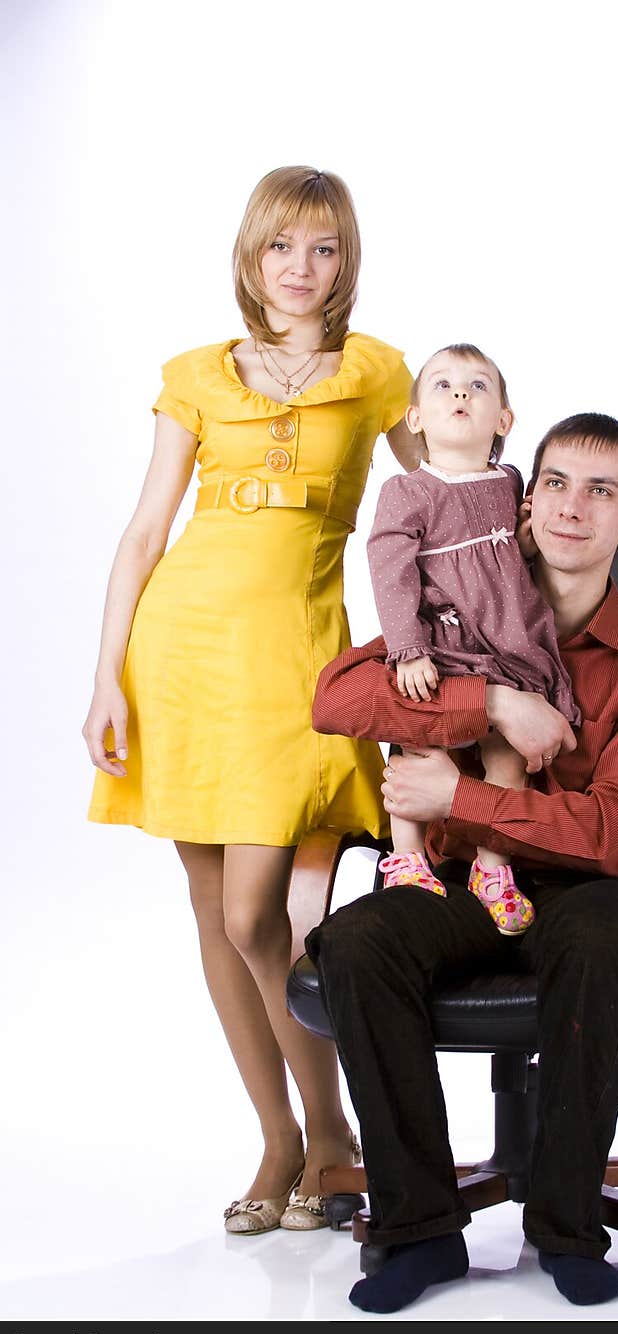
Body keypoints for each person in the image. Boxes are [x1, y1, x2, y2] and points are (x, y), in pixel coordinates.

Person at [83, 165, 423, 1235]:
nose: (300, 268)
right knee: (210, 912)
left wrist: (593, 505)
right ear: (250, 255)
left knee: (258, 912)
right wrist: (105, 676)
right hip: (179, 657)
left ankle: (330, 1129)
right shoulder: (195, 373)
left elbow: (442, 492)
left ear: (344, 264)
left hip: (294, 664)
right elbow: (145, 530)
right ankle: (283, 1135)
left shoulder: (374, 372)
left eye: (322, 249)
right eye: (281, 245)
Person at [306, 411, 618, 1311]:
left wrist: (463, 800)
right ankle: (419, 1232)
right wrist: (488, 699)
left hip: (592, 889)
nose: (574, 507)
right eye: (557, 484)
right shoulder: (460, 612)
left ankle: (567, 1230)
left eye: (602, 491)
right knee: (359, 941)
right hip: (463, 889)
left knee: (604, 939)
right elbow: (337, 696)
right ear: (525, 503)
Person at [366, 344, 581, 936]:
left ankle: (493, 868)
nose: (460, 394)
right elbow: (390, 570)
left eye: (477, 386)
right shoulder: (408, 491)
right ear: (415, 419)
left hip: (508, 639)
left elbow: (520, 543)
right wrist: (407, 646)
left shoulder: (508, 481)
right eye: (442, 385)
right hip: (444, 643)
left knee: (506, 758)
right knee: (415, 738)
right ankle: (406, 857)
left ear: (503, 422)